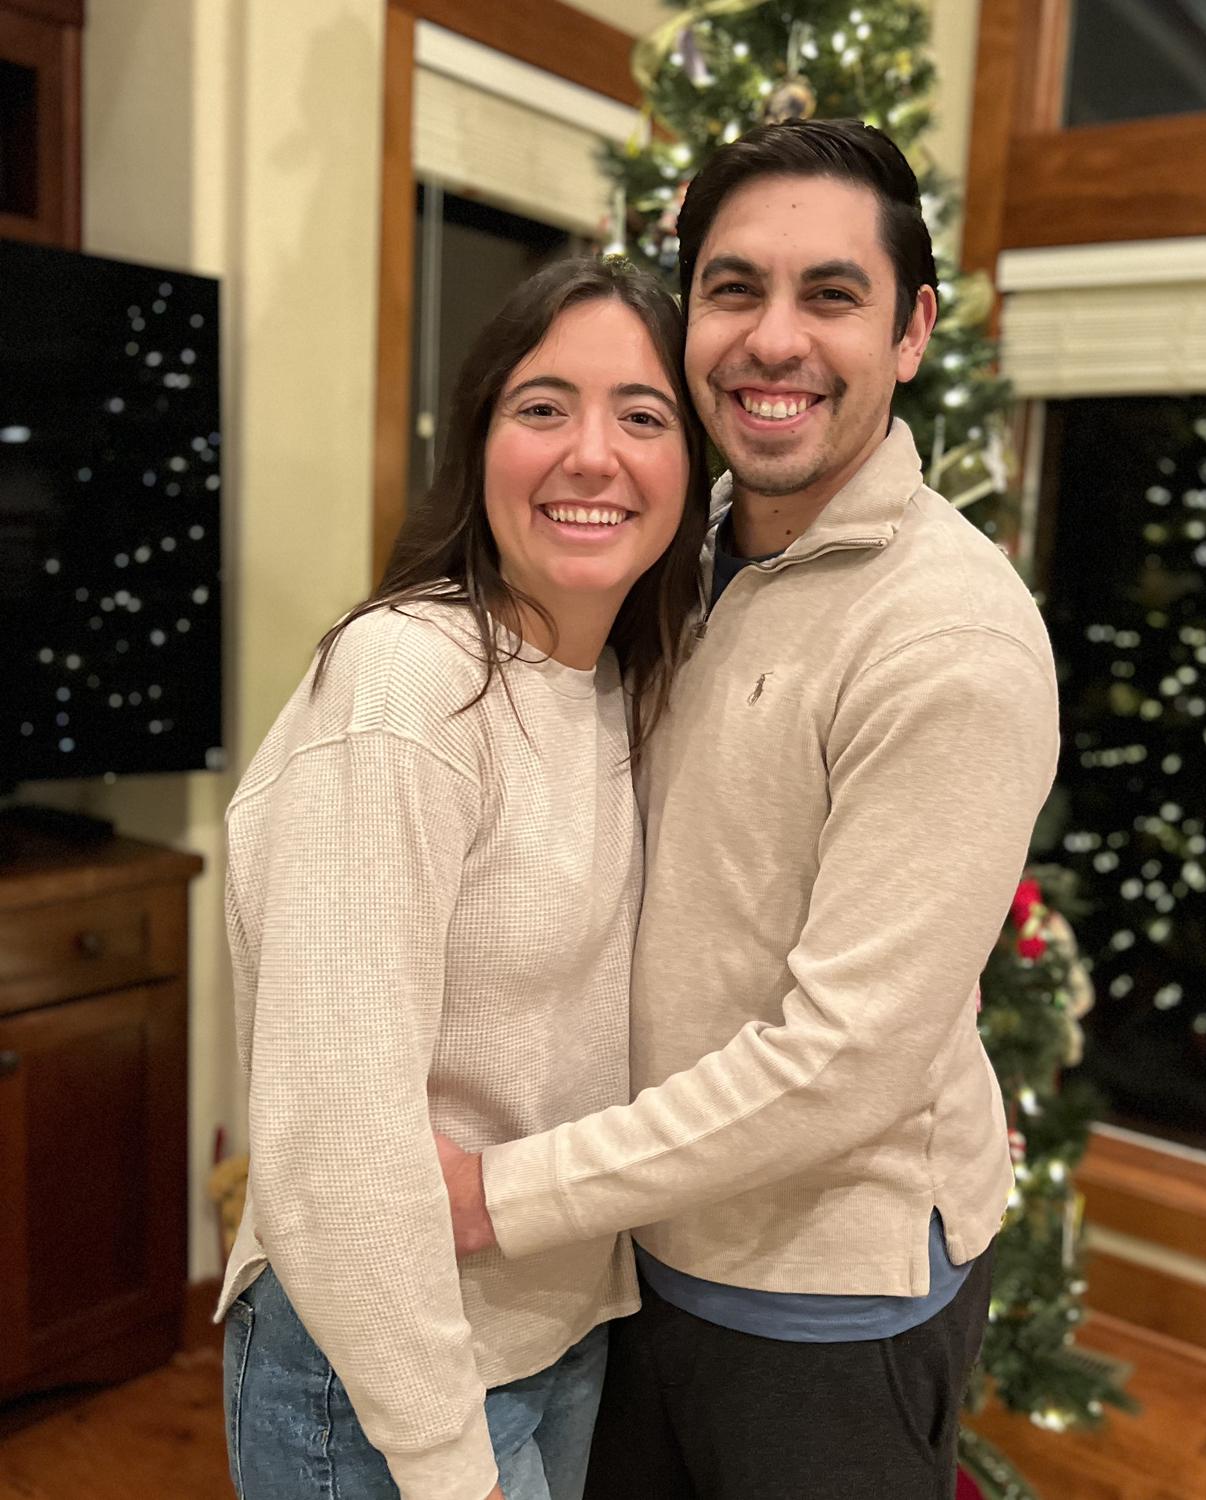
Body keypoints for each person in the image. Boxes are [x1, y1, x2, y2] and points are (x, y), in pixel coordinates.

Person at [438, 120, 1060, 1499]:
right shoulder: (672, 551)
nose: (774, 340)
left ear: (912, 331)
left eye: (831, 294)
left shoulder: (949, 638)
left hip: (823, 1305)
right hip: (640, 1256)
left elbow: (844, 1062)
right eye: (733, 290)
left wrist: (503, 1193)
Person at [215, 257, 709, 1500]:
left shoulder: (623, 687)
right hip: (384, 1380)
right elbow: (332, 1134)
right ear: (480, 443)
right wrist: (446, 1462)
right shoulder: (408, 682)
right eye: (543, 407)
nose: (591, 455)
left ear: (693, 467)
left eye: (643, 416)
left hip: (559, 1332)